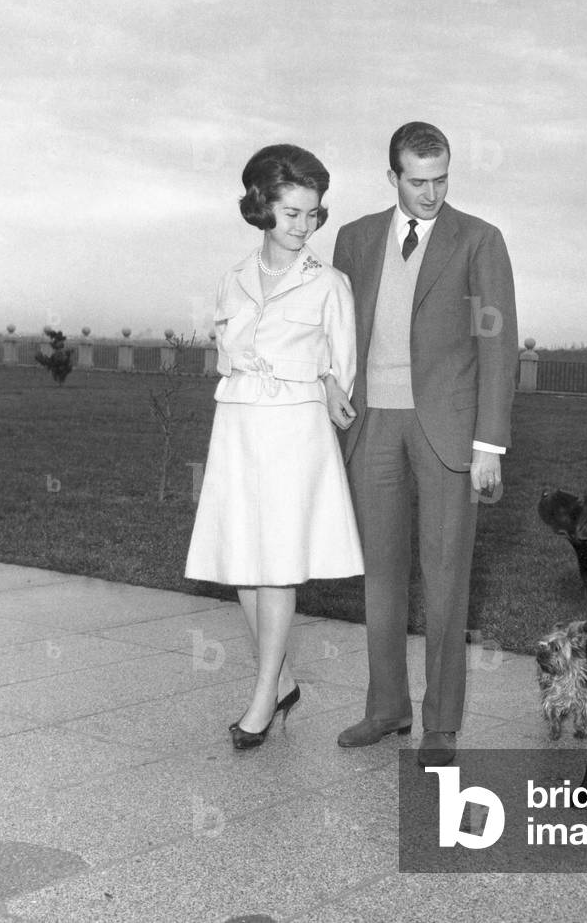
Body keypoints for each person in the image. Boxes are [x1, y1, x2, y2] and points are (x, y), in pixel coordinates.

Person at [327, 122, 518, 767]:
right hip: (372, 425)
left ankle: (441, 722)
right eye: (418, 181)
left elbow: (499, 345)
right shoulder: (352, 239)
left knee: (445, 579)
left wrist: (489, 443)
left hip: (449, 433)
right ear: (392, 177)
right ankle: (386, 708)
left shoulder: (480, 241)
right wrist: (331, 385)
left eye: (441, 180)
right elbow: (336, 329)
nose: (431, 193)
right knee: (380, 578)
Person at [185, 143, 363, 750]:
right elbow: (224, 354)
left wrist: (330, 383)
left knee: (279, 563)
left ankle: (263, 696)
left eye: (313, 215)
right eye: (292, 213)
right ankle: (281, 675)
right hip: (238, 424)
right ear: (262, 206)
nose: (304, 226)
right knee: (242, 556)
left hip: (294, 431)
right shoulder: (232, 280)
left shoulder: (330, 285)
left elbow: (341, 368)